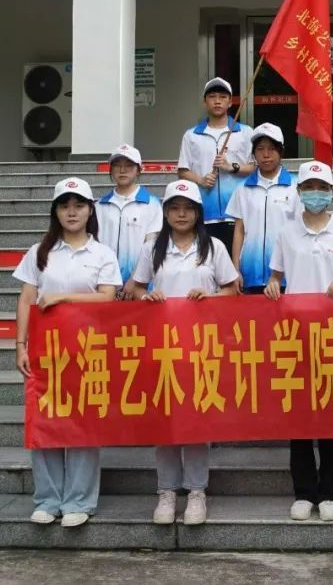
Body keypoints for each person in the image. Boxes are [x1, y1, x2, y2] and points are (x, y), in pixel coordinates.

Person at [124, 180, 240, 526]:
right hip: (162, 344)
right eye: (175, 208)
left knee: (196, 418)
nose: (181, 214)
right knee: (165, 420)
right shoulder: (152, 248)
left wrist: (210, 298)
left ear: (198, 213)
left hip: (202, 345)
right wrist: (147, 297)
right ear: (165, 212)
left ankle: (196, 491)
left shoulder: (213, 247)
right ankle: (167, 491)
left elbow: (232, 290)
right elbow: (136, 288)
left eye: (188, 208)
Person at [12, 177, 121, 528]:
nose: (71, 212)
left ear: (90, 211)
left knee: (83, 424)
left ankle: (79, 500)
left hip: (88, 350)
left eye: (78, 206)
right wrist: (20, 345)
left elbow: (107, 297)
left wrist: (63, 297)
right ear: (55, 212)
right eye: (64, 206)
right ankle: (47, 499)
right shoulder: (39, 252)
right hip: (46, 352)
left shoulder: (102, 253)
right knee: (45, 422)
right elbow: (26, 299)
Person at [264, 161, 333, 522]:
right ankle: (304, 490)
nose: (315, 193)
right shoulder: (286, 233)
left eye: (321, 187)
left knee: (330, 413)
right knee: (300, 415)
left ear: (331, 191)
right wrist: (273, 285)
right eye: (309, 187)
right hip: (295, 333)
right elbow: (276, 276)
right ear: (299, 191)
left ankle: (328, 489)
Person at [176, 77, 256, 255]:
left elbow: (253, 168)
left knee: (236, 265)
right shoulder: (192, 135)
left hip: (238, 215)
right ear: (204, 102)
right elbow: (183, 170)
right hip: (204, 214)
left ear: (230, 102)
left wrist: (233, 167)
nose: (217, 101)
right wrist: (201, 180)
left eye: (222, 97)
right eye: (212, 97)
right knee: (206, 264)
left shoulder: (245, 132)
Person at [226, 123, 298, 294]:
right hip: (250, 272)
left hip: (287, 273)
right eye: (260, 149)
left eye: (272, 149)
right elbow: (239, 231)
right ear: (253, 153)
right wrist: (235, 269)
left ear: (281, 151)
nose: (266, 155)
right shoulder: (243, 188)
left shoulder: (296, 186)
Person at [96, 143, 162, 289]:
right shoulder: (99, 206)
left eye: (129, 165)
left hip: (141, 284)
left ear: (139, 169)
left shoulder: (152, 204)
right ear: (111, 169)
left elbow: (152, 245)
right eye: (117, 165)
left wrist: (135, 279)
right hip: (105, 284)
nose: (122, 170)